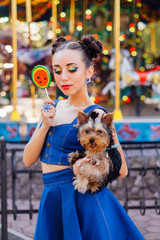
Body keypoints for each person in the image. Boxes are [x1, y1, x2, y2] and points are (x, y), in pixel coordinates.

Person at [23, 35, 145, 240]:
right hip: (52, 198)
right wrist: (44, 125)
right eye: (57, 70)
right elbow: (27, 159)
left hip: (82, 202)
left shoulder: (97, 115)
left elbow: (121, 168)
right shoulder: (52, 107)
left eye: (72, 69)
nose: (63, 78)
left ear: (89, 71)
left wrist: (85, 166)